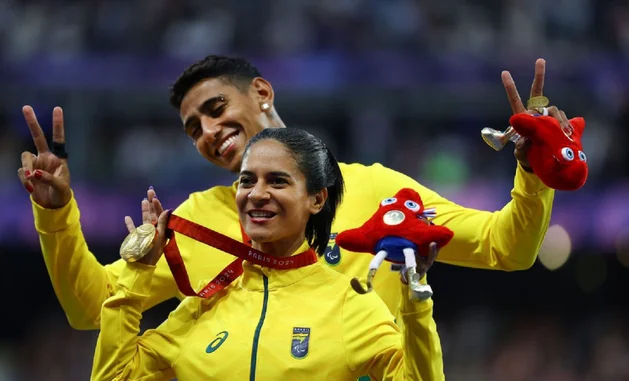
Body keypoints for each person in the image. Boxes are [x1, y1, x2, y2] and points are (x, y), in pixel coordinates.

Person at [19, 55, 566, 380]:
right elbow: (92, 308)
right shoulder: (200, 220)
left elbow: (507, 247)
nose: (208, 132)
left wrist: (536, 171)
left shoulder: (378, 189)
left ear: (261, 93)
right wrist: (57, 216)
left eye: (215, 109)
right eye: (193, 128)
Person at [91, 127, 436, 380]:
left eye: (277, 181)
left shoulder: (350, 305)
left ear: (316, 199)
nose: (256, 194)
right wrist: (138, 274)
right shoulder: (202, 308)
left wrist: (415, 296)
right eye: (247, 181)